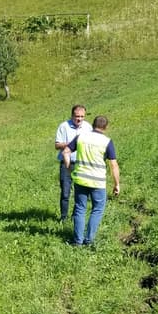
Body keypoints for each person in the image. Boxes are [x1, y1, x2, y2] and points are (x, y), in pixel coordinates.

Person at [62, 115, 120, 246]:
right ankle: (89, 241)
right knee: (97, 209)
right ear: (106, 127)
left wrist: (69, 168)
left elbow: (66, 151)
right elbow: (114, 165)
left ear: (93, 125)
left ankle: (77, 241)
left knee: (79, 209)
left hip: (80, 179)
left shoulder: (81, 137)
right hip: (98, 182)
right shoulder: (107, 141)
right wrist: (117, 184)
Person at [54, 105, 92, 222]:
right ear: (72, 115)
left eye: (82, 116)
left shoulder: (88, 127)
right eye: (77, 116)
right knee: (65, 192)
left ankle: (75, 217)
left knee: (79, 192)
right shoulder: (63, 126)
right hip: (66, 164)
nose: (79, 119)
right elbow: (57, 145)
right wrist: (72, 144)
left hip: (81, 164)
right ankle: (63, 218)